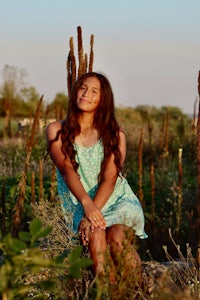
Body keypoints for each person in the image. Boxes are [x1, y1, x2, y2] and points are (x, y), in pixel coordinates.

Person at [46, 72, 147, 284]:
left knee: (117, 237)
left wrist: (92, 212)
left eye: (94, 91)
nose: (86, 94)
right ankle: (106, 292)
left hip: (116, 200)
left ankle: (141, 292)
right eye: (83, 88)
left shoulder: (115, 135)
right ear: (75, 92)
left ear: (103, 99)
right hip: (79, 202)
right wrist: (86, 207)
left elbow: (110, 179)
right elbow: (66, 168)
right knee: (96, 235)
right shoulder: (56, 130)